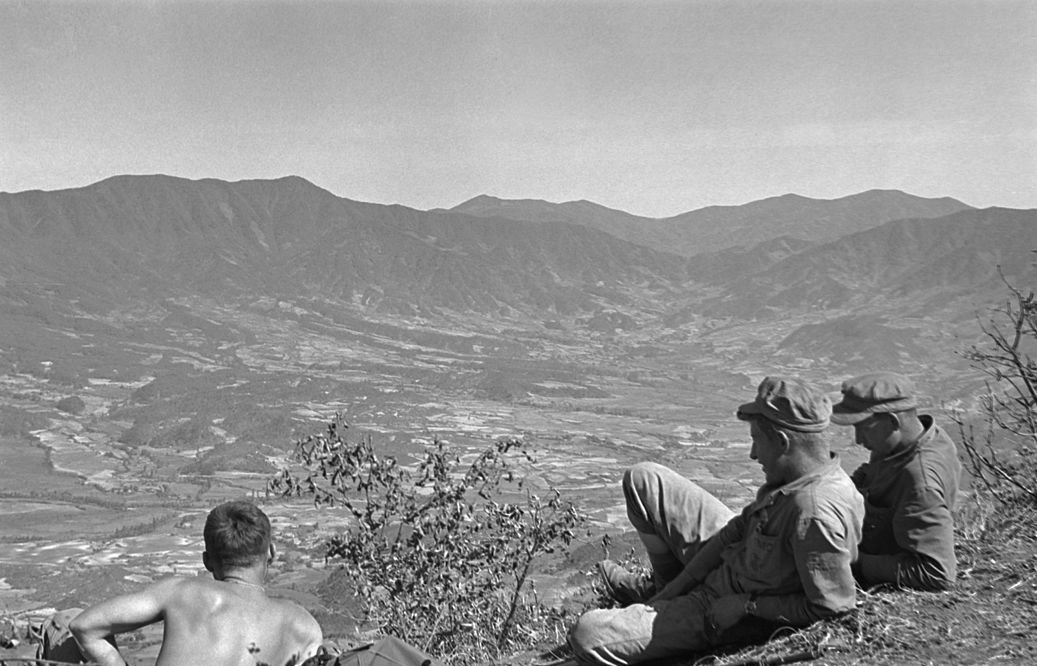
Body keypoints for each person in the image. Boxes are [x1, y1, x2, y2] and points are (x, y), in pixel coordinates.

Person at [569, 377, 864, 666]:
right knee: (644, 479)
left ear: (782, 441)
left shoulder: (813, 513)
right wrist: (670, 592)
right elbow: (732, 532)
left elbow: (832, 607)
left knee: (588, 633)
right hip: (737, 559)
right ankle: (658, 595)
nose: (752, 454)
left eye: (756, 441)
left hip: (725, 605)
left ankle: (663, 614)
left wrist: (748, 607)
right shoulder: (795, 478)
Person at [52, 500, 323, 666]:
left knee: (65, 619)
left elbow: (83, 626)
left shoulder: (183, 592)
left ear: (207, 561)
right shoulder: (304, 625)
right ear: (272, 553)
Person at [829, 372, 961, 591]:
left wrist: (853, 561)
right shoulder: (907, 442)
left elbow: (937, 573)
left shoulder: (920, 481)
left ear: (892, 421)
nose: (858, 439)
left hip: (873, 563)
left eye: (862, 427)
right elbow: (874, 474)